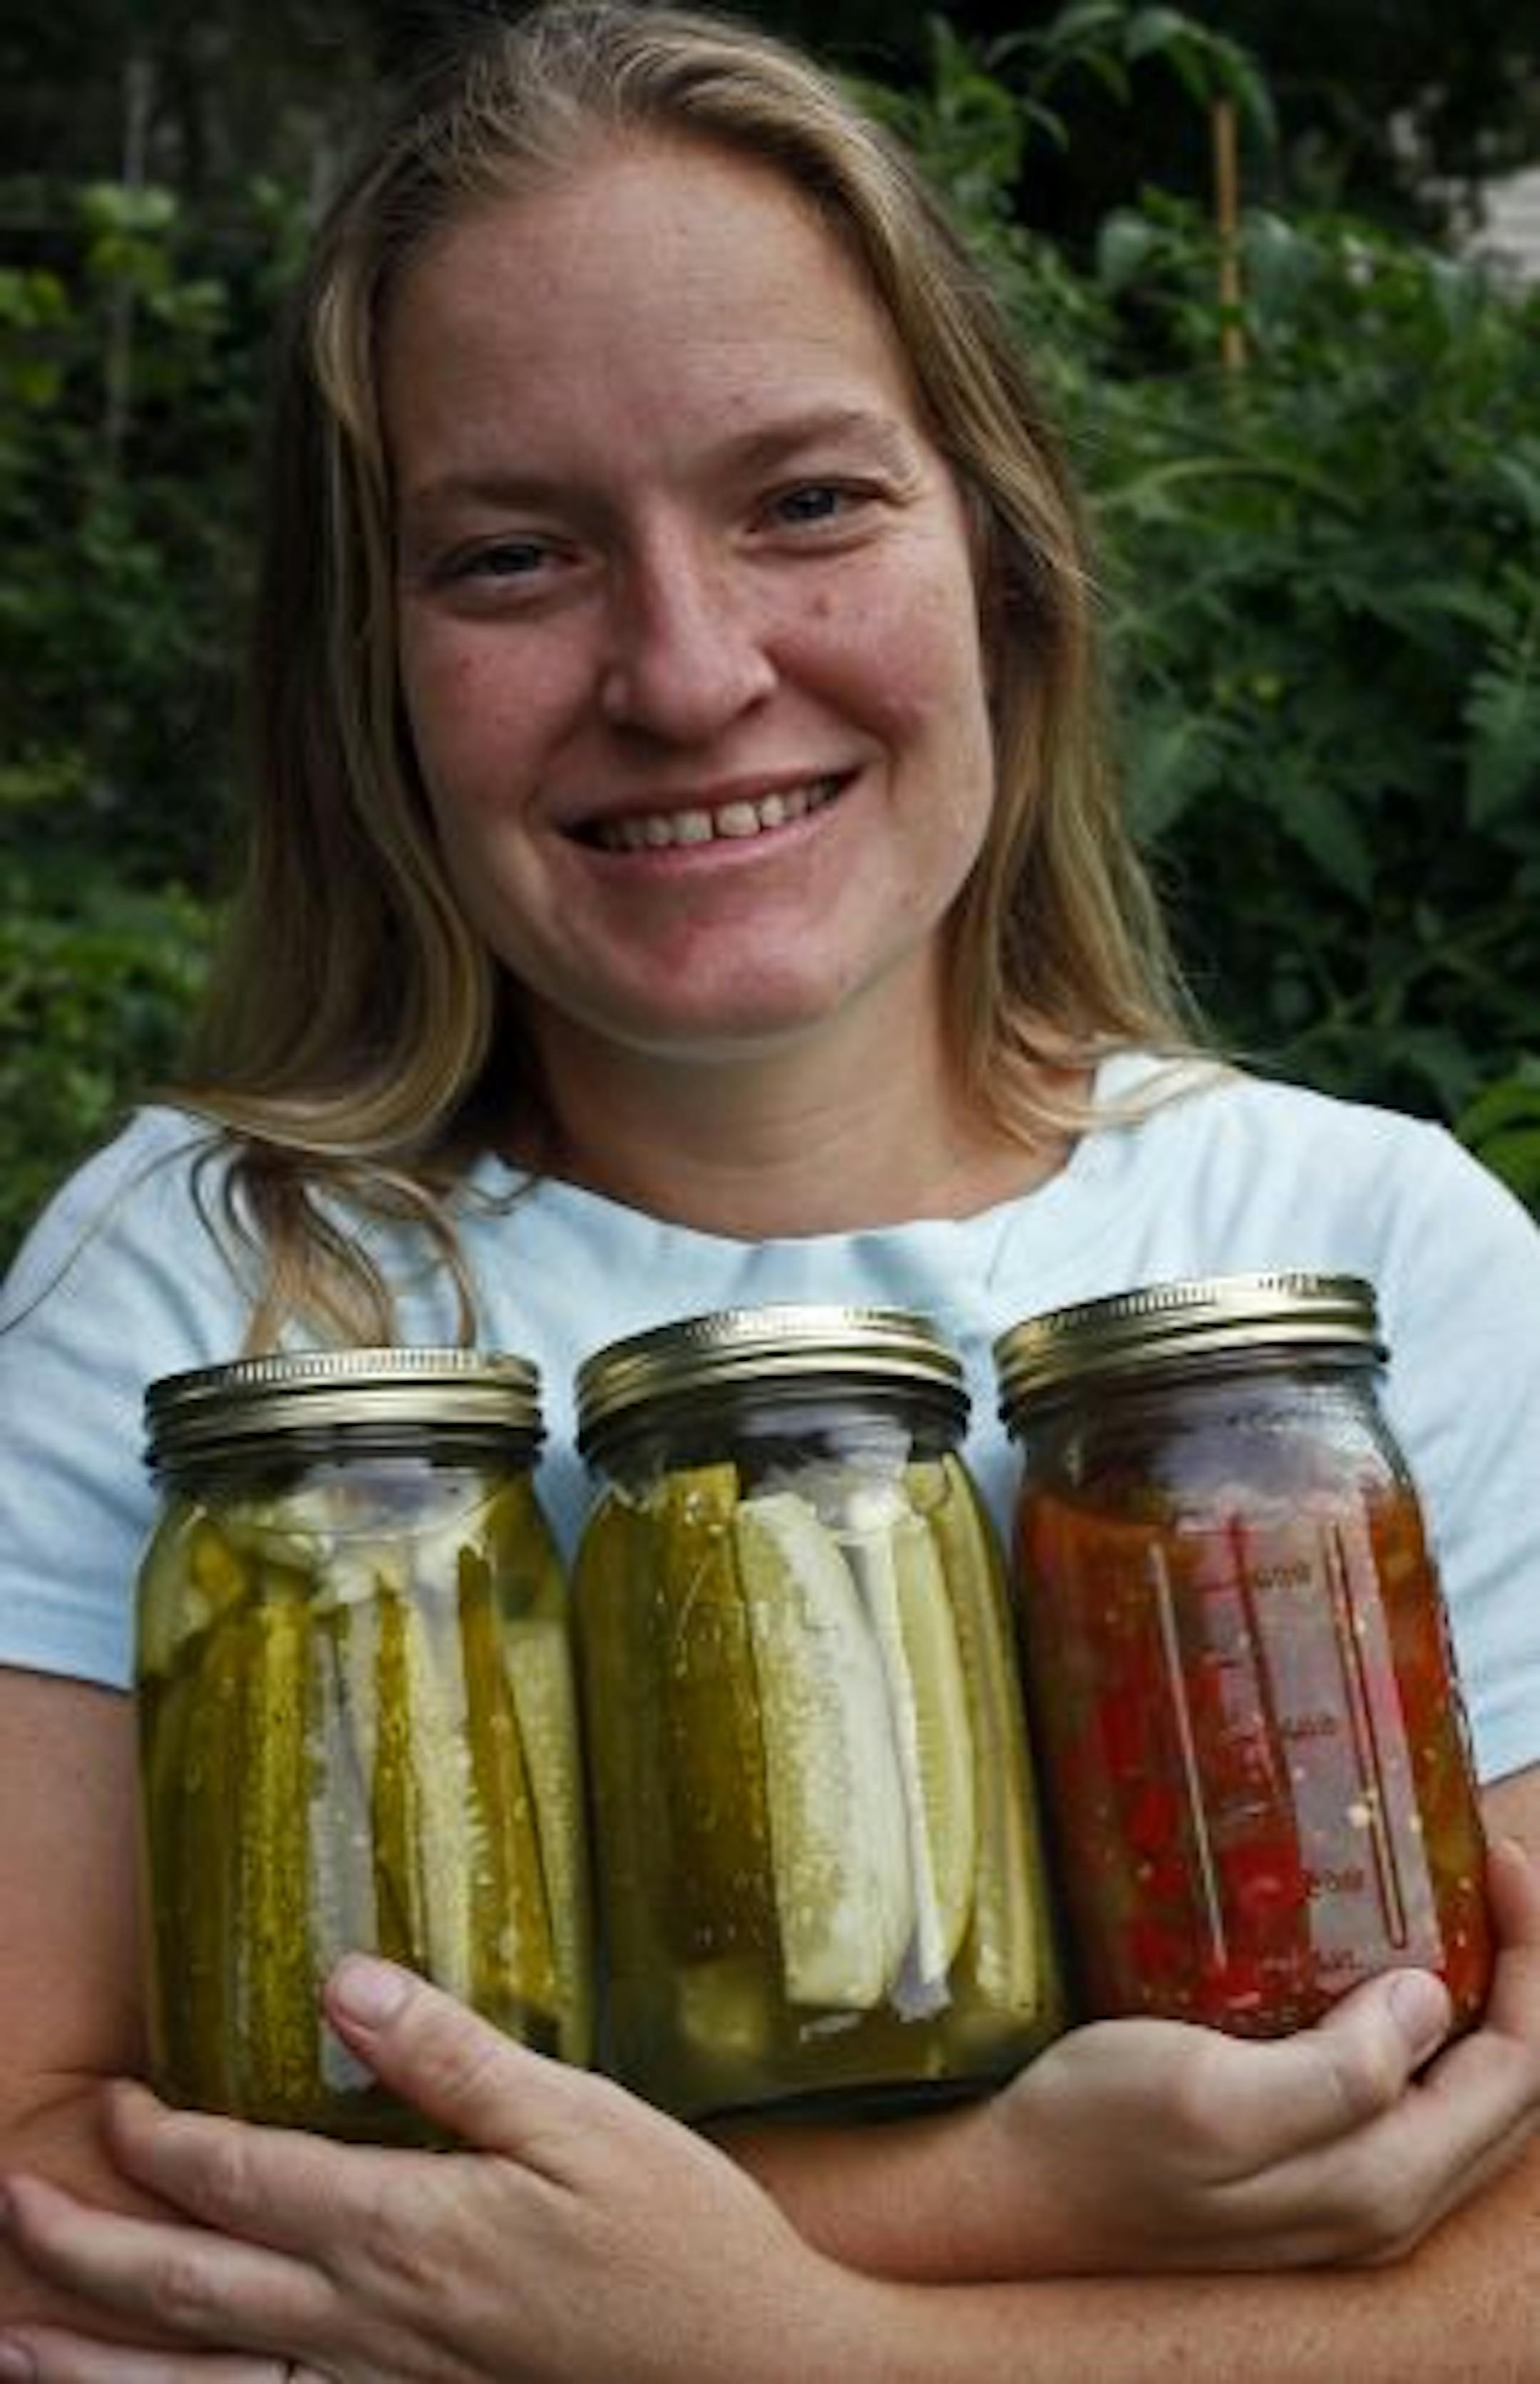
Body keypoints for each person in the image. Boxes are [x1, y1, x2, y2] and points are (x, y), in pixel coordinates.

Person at [1, 3, 1537, 2375]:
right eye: (511, 557)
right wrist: (1001, 2197)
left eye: (807, 502)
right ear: (366, 671)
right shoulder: (214, 1281)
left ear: (1002, 556)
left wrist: (789, 2341)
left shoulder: (1373, 1255)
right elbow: (53, 2224)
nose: (689, 670)